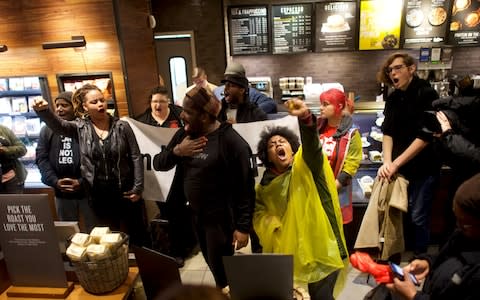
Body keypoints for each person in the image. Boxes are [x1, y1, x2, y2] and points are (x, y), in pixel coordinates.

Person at [153, 86, 255, 289]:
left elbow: (245, 188)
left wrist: (243, 227)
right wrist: (178, 151)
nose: (182, 115)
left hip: (220, 221)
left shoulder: (232, 143)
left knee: (223, 273)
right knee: (212, 264)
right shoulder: (185, 134)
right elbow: (159, 163)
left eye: (188, 112)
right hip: (194, 216)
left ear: (205, 116)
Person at [253, 98, 348, 300]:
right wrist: (272, 224)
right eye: (272, 144)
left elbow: (312, 145)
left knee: (321, 296)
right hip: (288, 253)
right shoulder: (265, 185)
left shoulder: (307, 164)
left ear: (293, 147)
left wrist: (306, 119)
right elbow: (259, 211)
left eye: (282, 141)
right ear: (267, 156)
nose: (278, 144)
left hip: (323, 246)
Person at [32, 84, 149, 246]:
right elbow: (59, 126)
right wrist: (44, 111)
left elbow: (136, 156)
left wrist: (138, 187)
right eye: (94, 102)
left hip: (126, 191)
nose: (100, 104)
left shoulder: (122, 126)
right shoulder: (80, 128)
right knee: (109, 240)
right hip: (99, 195)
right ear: (84, 106)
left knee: (138, 235)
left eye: (102, 100)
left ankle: (145, 268)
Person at [376, 52, 441, 255]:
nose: (393, 73)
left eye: (397, 68)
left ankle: (420, 257)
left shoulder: (427, 93)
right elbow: (388, 131)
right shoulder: (393, 97)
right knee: (399, 212)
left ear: (411, 69)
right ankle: (396, 255)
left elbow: (425, 136)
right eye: (390, 70)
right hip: (398, 166)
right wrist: (387, 162)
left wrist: (396, 163)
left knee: (418, 215)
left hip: (423, 167)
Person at [386, 173, 480, 300]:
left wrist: (414, 296)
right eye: (456, 218)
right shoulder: (463, 235)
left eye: (465, 223)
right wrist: (429, 262)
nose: (458, 226)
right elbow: (446, 254)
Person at [136, 86, 196, 266]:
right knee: (165, 213)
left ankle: (185, 245)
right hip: (157, 175)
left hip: (179, 174)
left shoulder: (179, 116)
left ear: (168, 102)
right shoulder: (143, 120)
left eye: (161, 101)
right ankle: (171, 249)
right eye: (154, 101)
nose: (157, 105)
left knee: (180, 212)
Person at [35, 91, 95, 231]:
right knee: (69, 233)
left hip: (88, 191)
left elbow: (96, 157)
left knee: (94, 231)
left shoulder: (85, 127)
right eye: (57, 105)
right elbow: (41, 158)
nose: (59, 109)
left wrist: (81, 182)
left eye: (65, 105)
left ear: (74, 107)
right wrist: (54, 181)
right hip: (61, 192)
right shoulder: (47, 130)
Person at [317, 88, 362, 226]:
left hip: (337, 192)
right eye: (321, 104)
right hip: (314, 191)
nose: (321, 108)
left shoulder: (352, 134)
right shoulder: (316, 129)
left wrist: (332, 187)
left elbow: (351, 166)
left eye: (325, 104)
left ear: (339, 106)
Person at [0, 124, 27, 193]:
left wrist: (4, 150)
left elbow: (22, 149)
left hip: (12, 179)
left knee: (14, 203)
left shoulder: (4, 130)